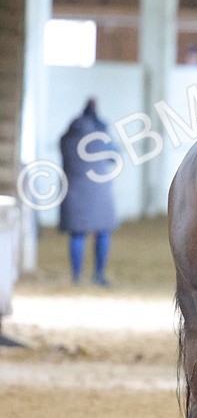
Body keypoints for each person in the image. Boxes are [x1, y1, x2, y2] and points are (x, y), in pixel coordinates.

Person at [59, 98, 118, 286]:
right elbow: (115, 156)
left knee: (77, 235)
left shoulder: (67, 137)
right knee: (103, 233)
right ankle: (98, 275)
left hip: (74, 192)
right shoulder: (101, 135)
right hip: (100, 193)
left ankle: (76, 277)